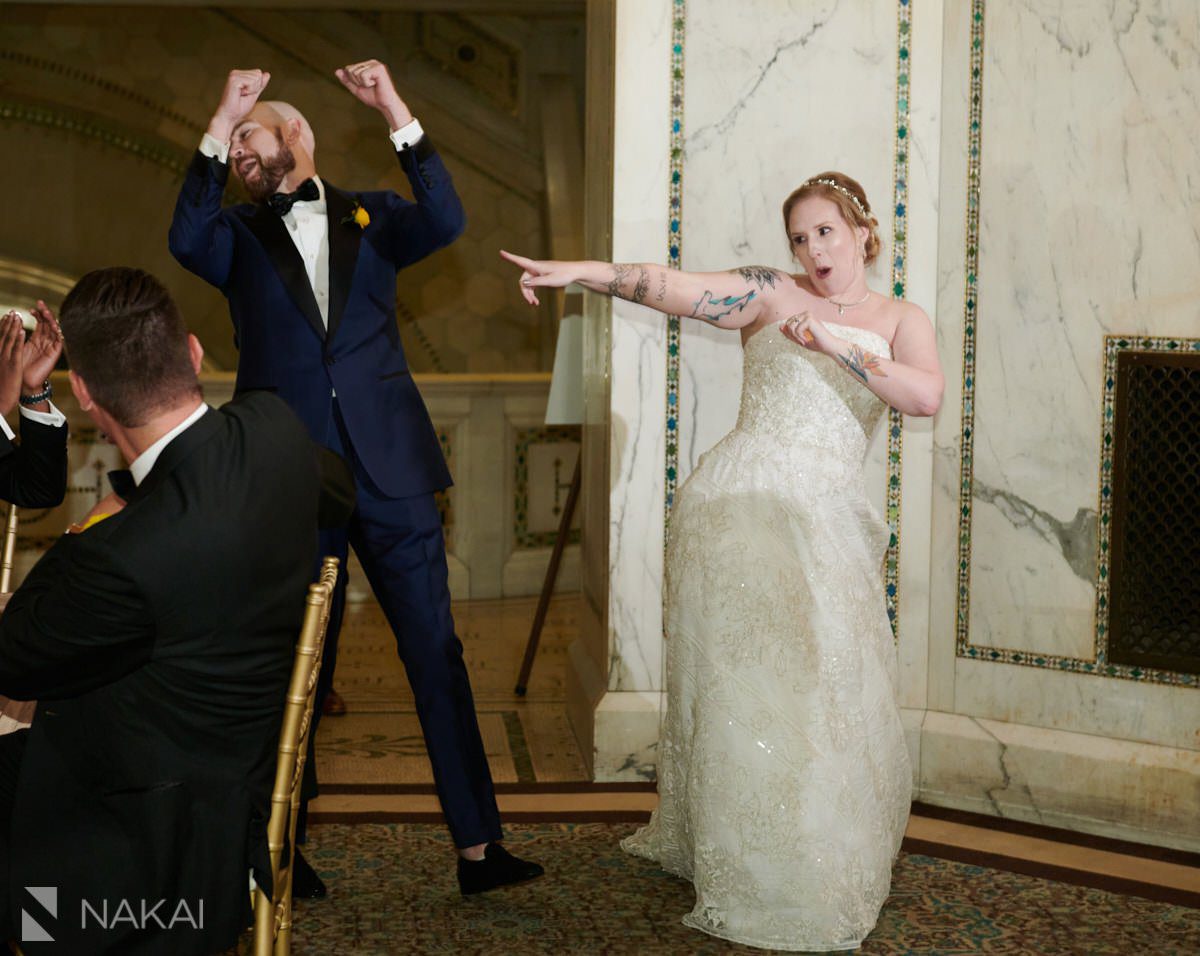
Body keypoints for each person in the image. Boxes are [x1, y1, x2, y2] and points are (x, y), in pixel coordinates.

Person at [502, 171, 943, 951]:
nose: (814, 250)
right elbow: (673, 288)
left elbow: (925, 398)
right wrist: (583, 274)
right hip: (735, 508)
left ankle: (807, 848)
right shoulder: (772, 294)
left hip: (825, 518)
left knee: (822, 687)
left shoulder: (903, 319)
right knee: (745, 690)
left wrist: (842, 349)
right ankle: (746, 856)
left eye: (827, 233)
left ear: (864, 233)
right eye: (801, 238)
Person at [168, 62, 542, 896]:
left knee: (436, 652)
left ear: (297, 135)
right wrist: (219, 115)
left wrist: (395, 109)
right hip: (288, 478)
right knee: (296, 664)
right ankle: (278, 849)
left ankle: (479, 849)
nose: (240, 154)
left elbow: (447, 216)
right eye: (233, 146)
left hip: (394, 472)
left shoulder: (376, 216)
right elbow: (182, 240)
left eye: (251, 136)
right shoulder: (232, 234)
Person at [0, 267, 354, 955]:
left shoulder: (122, 555)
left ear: (88, 398)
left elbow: (13, 653)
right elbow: (338, 493)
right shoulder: (274, 429)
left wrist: (100, 519)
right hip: (239, 785)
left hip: (146, 845)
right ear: (192, 353)